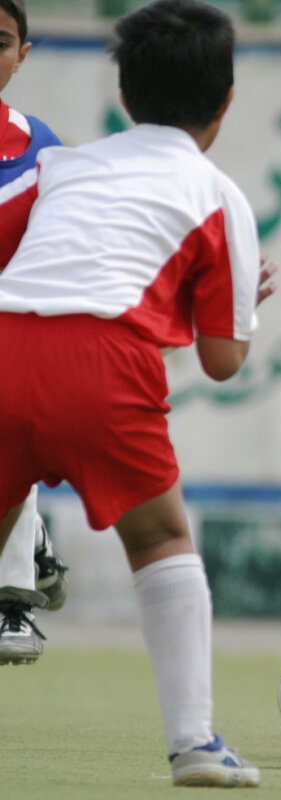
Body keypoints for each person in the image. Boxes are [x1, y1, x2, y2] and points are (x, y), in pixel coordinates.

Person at [0, 0, 275, 787]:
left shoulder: (62, 165)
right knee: (158, 541)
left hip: (6, 345)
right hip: (105, 363)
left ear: (122, 94)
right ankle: (194, 743)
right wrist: (235, 302)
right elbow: (222, 361)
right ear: (225, 102)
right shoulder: (218, 194)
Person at [0, 0, 72, 667]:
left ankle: (12, 601)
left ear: (22, 56)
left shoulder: (41, 152)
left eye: (0, 42)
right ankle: (35, 542)